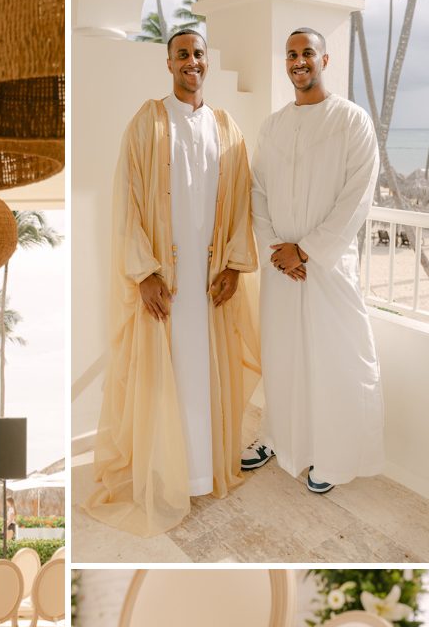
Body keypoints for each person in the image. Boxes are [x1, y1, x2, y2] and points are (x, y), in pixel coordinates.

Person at [86, 28, 260, 536]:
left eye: (199, 54)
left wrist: (231, 265)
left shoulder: (227, 129)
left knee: (205, 375)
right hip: (165, 280)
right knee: (165, 378)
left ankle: (202, 474)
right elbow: (128, 201)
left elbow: (242, 203)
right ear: (168, 64)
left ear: (208, 62)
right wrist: (143, 273)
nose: (192, 61)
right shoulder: (147, 122)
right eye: (182, 54)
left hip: (208, 284)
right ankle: (164, 475)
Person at [241, 28, 383, 494]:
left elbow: (356, 198)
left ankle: (332, 456)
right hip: (281, 267)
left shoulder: (352, 121)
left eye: (307, 53)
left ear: (324, 59)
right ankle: (277, 439)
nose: (298, 61)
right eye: (291, 54)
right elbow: (257, 191)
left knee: (335, 361)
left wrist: (306, 250)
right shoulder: (273, 125)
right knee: (282, 359)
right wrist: (277, 249)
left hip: (326, 266)